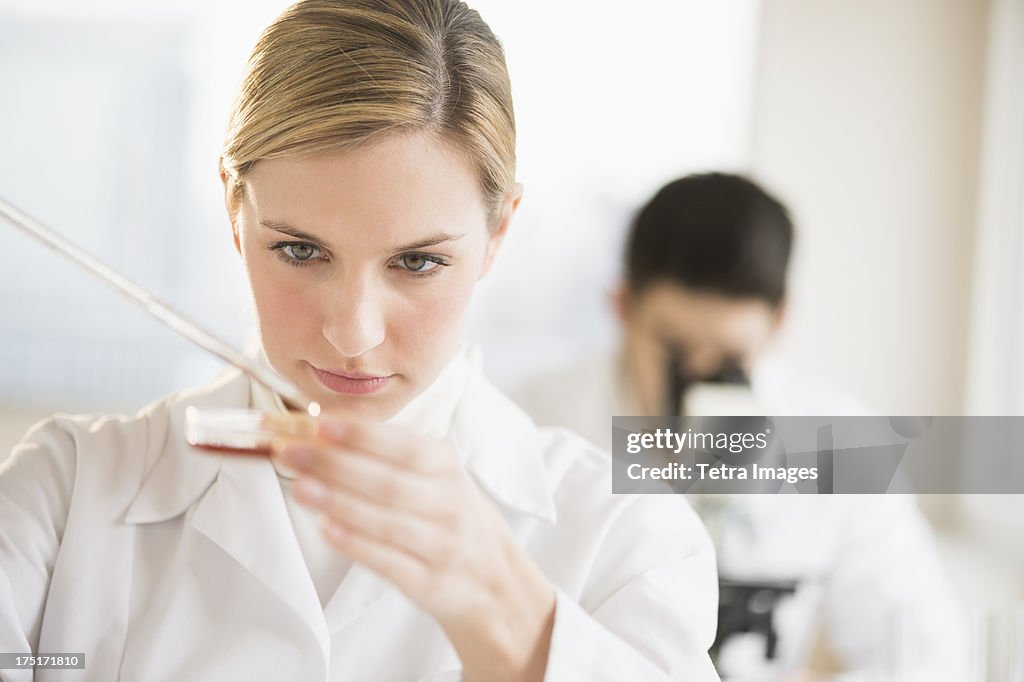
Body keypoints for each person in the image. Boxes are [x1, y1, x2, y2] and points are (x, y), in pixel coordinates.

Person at [0, 3, 722, 680]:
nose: (353, 332)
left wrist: (512, 619)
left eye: (417, 262)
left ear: (498, 233)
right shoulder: (60, 498)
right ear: (232, 207)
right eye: (300, 251)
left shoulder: (629, 539)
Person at [511, 173, 966, 681]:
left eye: (729, 357)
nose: (701, 380)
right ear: (622, 306)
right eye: (677, 352)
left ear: (778, 323)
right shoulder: (526, 427)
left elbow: (928, 656)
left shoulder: (842, 448)